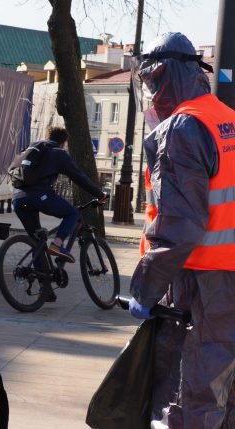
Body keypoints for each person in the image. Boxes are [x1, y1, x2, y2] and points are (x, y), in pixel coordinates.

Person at [127, 32, 235, 428]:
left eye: (153, 82)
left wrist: (145, 288)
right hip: (225, 284)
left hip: (205, 284)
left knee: (194, 397)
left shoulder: (182, 129)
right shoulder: (227, 120)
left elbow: (178, 226)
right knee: (225, 393)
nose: (152, 93)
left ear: (169, 76)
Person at [10, 126, 106, 270]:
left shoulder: (33, 148)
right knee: (72, 213)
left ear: (48, 137)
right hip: (39, 196)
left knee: (37, 241)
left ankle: (44, 285)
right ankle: (57, 244)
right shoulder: (58, 153)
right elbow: (79, 177)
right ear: (63, 142)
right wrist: (99, 194)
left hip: (18, 198)